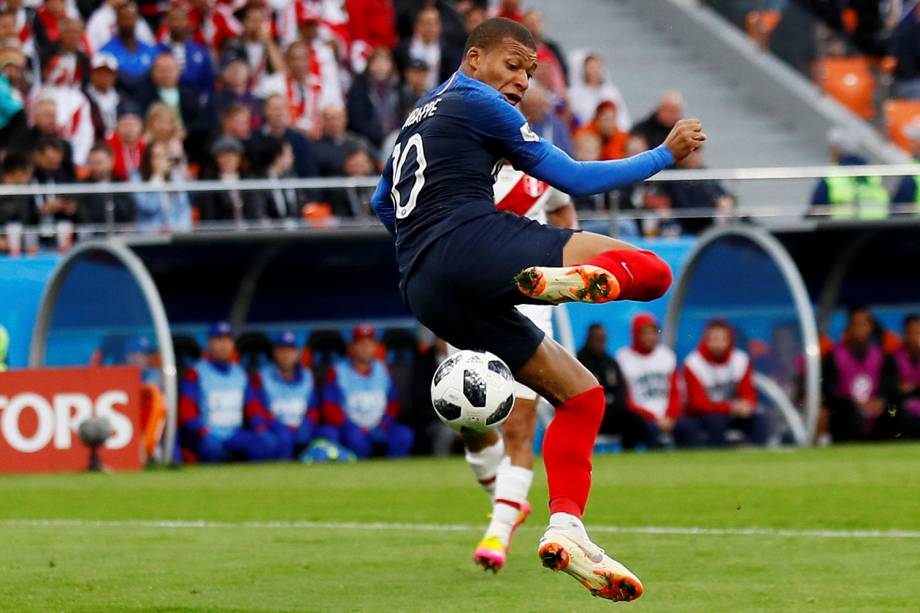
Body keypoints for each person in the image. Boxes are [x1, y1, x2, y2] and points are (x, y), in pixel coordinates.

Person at [372, 17, 703, 601]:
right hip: (472, 244)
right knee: (652, 273)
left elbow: (382, 203)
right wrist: (663, 154)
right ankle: (555, 285)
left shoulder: (413, 120)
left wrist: (426, 249)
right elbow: (570, 177)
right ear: (473, 59)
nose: (523, 80)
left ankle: (567, 527)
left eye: (530, 71)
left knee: (583, 396)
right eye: (513, 64)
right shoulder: (478, 103)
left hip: (422, 288)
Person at [458, 159, 578, 572]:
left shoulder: (541, 166)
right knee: (469, 424)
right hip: (468, 301)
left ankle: (498, 530)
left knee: (519, 424)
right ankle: (507, 500)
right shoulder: (460, 165)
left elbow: (563, 211)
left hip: (528, 301)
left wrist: (562, 275)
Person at [178, 321, 276, 463]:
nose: (223, 345)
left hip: (234, 434)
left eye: (227, 339)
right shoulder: (196, 372)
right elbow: (186, 411)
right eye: (218, 339)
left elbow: (252, 405)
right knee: (211, 450)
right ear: (210, 343)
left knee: (266, 443)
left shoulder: (239, 372)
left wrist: (260, 427)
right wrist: (202, 431)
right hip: (207, 434)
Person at [317, 324, 414, 459]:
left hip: (380, 426)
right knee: (351, 439)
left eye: (369, 343)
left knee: (404, 434)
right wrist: (349, 427)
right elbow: (330, 408)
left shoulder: (384, 369)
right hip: (350, 428)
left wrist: (386, 422)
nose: (365, 348)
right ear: (352, 347)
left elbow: (393, 403)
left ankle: (393, 472)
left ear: (375, 346)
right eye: (361, 344)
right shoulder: (337, 371)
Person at [682, 320, 767, 447]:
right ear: (706, 340)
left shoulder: (740, 359)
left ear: (730, 340)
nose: (719, 344)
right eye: (714, 339)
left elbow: (748, 394)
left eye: (723, 339)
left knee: (758, 418)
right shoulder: (693, 363)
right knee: (716, 420)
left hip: (733, 413)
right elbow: (698, 404)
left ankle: (759, 456)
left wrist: (746, 406)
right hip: (703, 416)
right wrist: (730, 407)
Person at [616, 313, 694, 448]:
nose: (649, 337)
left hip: (667, 416)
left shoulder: (666, 355)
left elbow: (675, 392)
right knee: (648, 429)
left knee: (688, 427)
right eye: (644, 333)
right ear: (635, 334)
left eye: (652, 333)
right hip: (642, 417)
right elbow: (626, 398)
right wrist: (652, 417)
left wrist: (670, 416)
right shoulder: (623, 357)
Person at [821, 306, 898, 442]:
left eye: (864, 324)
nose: (860, 330)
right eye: (856, 324)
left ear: (871, 327)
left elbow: (890, 387)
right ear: (848, 328)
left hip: (877, 412)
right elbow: (828, 390)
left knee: (894, 411)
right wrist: (854, 404)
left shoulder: (883, 357)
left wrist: (880, 400)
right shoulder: (833, 356)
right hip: (845, 414)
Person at [245, 330, 320, 460]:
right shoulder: (261, 376)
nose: (286, 354)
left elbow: (314, 408)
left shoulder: (308, 376)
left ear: (298, 353)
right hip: (274, 428)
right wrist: (270, 426)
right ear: (274, 352)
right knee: (282, 437)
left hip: (302, 427)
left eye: (291, 350)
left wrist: (308, 423)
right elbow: (256, 407)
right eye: (282, 350)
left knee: (327, 435)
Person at [576, 323, 647, 448]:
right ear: (589, 339)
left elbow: (621, 391)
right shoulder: (579, 361)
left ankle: (628, 453)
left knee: (635, 419)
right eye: (596, 339)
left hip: (610, 413)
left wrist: (613, 406)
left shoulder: (610, 362)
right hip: (589, 416)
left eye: (603, 339)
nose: (600, 343)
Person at [810, 127, 889, 219]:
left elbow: (814, 213)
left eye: (831, 148)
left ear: (836, 150)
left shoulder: (831, 177)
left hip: (842, 230)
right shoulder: (874, 174)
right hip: (879, 229)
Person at [131, 139, 192, 232]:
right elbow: (149, 207)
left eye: (164, 156)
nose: (162, 161)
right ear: (148, 160)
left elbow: (183, 208)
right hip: (149, 233)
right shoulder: (136, 179)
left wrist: (183, 231)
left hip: (176, 233)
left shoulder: (176, 178)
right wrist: (157, 178)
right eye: (157, 157)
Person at [99, 2, 156, 99]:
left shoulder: (148, 49)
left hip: (147, 97)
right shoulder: (106, 50)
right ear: (117, 21)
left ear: (137, 20)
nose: (128, 22)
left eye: (130, 18)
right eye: (124, 18)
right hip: (120, 98)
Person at [154, 6, 214, 95]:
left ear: (187, 22)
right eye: (173, 20)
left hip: (194, 100)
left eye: (180, 20)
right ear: (166, 23)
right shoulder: (157, 50)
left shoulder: (200, 51)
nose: (177, 24)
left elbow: (208, 82)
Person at [569, 52, 630, 131]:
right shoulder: (574, 93)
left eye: (596, 67)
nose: (594, 71)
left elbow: (622, 116)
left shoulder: (611, 91)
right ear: (584, 70)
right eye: (590, 67)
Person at [79, 142, 136, 227]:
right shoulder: (83, 187)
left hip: (120, 234)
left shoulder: (121, 185)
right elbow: (83, 216)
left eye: (99, 162)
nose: (95, 167)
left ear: (111, 161)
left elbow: (129, 212)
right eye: (92, 163)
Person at [892, 314, 920, 438]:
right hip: (902, 405)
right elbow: (892, 387)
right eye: (911, 332)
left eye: (918, 333)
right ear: (904, 334)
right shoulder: (893, 357)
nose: (915, 337)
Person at [83, 52, 121, 140]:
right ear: (92, 74)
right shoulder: (83, 98)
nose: (104, 77)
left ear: (115, 76)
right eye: (100, 73)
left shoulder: (122, 99)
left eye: (108, 74)